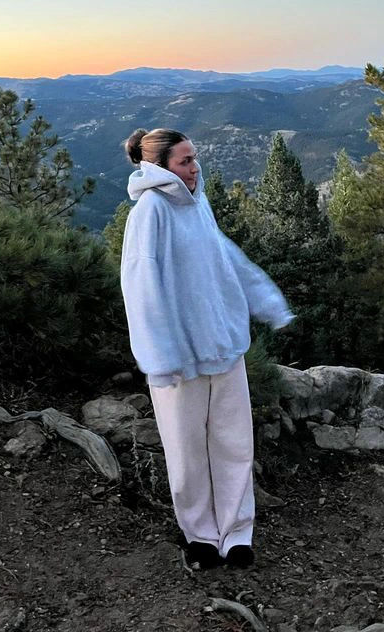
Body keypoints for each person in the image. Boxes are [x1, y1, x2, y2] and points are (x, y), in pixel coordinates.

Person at [120, 127, 294, 569]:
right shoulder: (150, 212)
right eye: (184, 161)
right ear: (158, 167)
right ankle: (199, 535)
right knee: (186, 450)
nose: (195, 167)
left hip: (223, 346)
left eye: (195, 158)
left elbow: (227, 257)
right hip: (179, 359)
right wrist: (159, 358)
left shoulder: (198, 204)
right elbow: (141, 287)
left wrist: (267, 302)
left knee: (235, 443)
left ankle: (237, 533)